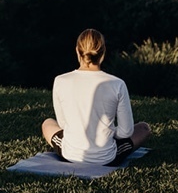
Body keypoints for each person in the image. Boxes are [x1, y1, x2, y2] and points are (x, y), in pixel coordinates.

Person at [42, 29, 151, 166]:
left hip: (70, 154)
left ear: (77, 51)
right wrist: (109, 132)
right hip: (106, 158)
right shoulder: (117, 84)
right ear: (103, 53)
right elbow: (126, 132)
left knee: (47, 123)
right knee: (144, 128)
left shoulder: (60, 80)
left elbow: (63, 125)